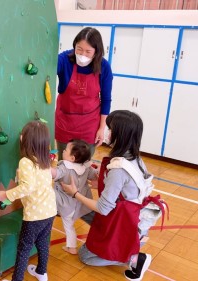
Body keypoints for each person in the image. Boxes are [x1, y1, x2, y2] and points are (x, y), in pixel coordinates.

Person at [61, 110, 155, 281]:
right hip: (131, 214)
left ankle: (134, 259)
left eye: (110, 129)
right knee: (81, 209)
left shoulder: (118, 169)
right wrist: (102, 184)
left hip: (125, 222)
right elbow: (126, 190)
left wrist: (74, 193)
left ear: (120, 135)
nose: (107, 132)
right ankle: (127, 242)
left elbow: (104, 208)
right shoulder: (134, 158)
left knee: (85, 256)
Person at [0, 121, 57, 281]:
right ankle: (42, 273)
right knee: (43, 243)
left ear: (24, 139)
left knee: (24, 249)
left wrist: (5, 195)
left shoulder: (25, 162)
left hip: (34, 216)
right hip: (50, 211)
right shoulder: (44, 159)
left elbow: (27, 187)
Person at [55, 27, 113, 160]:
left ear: (96, 52)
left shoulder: (104, 67)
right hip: (65, 122)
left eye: (88, 51)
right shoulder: (65, 60)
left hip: (89, 124)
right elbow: (47, 67)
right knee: (64, 164)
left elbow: (106, 100)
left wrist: (101, 127)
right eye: (79, 49)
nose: (82, 55)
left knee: (84, 166)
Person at [51, 139, 98, 255]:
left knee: (68, 226)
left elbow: (54, 174)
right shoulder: (86, 167)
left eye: (66, 150)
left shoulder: (64, 167)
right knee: (73, 224)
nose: (63, 151)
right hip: (80, 204)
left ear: (72, 158)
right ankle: (72, 246)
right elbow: (94, 175)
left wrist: (43, 166)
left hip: (66, 204)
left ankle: (72, 247)